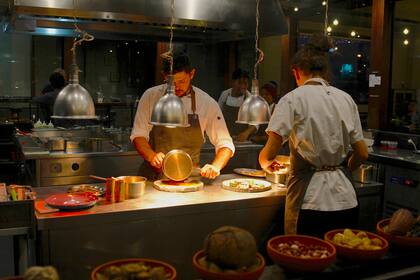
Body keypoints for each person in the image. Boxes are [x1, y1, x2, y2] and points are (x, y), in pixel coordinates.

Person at [258, 34, 368, 237]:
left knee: (306, 258)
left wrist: (266, 163)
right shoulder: (346, 99)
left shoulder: (292, 99)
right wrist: (339, 169)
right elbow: (362, 153)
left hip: (310, 202)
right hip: (347, 200)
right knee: (342, 259)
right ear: (324, 71)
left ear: (296, 72)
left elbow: (268, 154)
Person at [131, 52, 235, 180]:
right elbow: (138, 135)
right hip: (154, 176)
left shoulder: (206, 102)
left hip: (190, 178)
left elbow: (225, 143)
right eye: (171, 82)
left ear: (191, 74)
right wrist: (151, 156)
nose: (176, 87)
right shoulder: (151, 96)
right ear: (164, 76)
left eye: (181, 81)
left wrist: (216, 166)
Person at [218, 69, 256, 142]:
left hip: (243, 140)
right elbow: (218, 116)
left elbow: (255, 124)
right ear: (233, 82)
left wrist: (246, 133)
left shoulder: (250, 99)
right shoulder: (225, 95)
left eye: (245, 83)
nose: (243, 86)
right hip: (225, 138)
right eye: (240, 83)